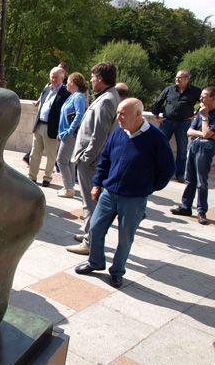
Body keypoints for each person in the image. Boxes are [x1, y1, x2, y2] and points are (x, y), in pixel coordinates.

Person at [74, 98, 174, 288]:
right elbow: (105, 158)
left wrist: (148, 187)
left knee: (125, 237)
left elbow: (167, 169)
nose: (118, 118)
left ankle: (117, 272)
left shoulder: (156, 138)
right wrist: (97, 183)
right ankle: (95, 262)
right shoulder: (119, 132)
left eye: (122, 114)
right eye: (117, 113)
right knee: (95, 228)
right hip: (109, 193)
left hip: (134, 199)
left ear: (138, 115)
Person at [66, 62, 120, 255]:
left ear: (100, 78)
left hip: (91, 161)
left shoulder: (106, 100)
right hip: (91, 159)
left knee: (90, 202)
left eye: (93, 76)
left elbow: (100, 135)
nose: (90, 80)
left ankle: (90, 242)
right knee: (88, 201)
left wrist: (86, 158)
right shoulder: (109, 96)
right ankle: (89, 232)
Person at [170, 87, 215, 225]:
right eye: (200, 96)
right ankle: (186, 207)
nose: (200, 99)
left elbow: (208, 133)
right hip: (194, 145)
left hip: (206, 148)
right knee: (190, 179)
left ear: (213, 98)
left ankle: (201, 211)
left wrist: (205, 117)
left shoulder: (206, 114)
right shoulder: (201, 111)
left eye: (204, 96)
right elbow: (189, 131)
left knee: (202, 181)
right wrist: (203, 134)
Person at [152, 70, 202, 182]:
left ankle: (179, 174)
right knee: (160, 145)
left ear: (187, 79)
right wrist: (156, 116)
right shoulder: (169, 89)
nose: (177, 79)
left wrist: (196, 115)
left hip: (184, 123)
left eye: (180, 77)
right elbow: (158, 102)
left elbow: (203, 102)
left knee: (182, 149)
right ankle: (157, 169)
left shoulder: (195, 91)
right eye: (176, 77)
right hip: (167, 122)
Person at [29, 67, 70, 187]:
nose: (53, 79)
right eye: (52, 76)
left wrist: (61, 130)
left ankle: (47, 178)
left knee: (51, 155)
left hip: (52, 128)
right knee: (34, 153)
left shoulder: (66, 93)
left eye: (56, 77)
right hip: (39, 125)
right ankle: (32, 176)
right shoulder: (46, 89)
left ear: (62, 78)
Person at [56, 72, 88, 198]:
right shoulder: (73, 96)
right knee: (68, 161)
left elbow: (80, 115)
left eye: (68, 81)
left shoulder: (78, 97)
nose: (66, 83)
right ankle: (68, 187)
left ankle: (69, 189)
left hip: (70, 135)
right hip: (66, 134)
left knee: (61, 160)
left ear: (73, 83)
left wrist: (69, 131)